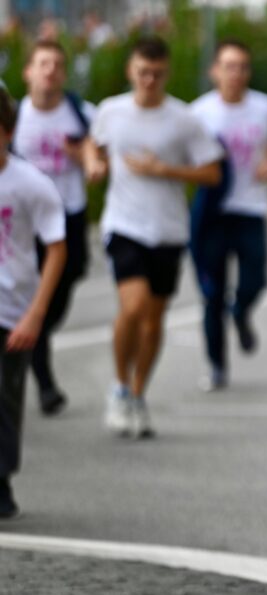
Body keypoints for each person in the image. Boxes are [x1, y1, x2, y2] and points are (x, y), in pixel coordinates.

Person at [84, 36, 223, 438]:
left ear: (167, 74)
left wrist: (165, 170)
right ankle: (118, 387)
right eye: (143, 73)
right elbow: (95, 145)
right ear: (131, 71)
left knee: (153, 319)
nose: (149, 81)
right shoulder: (111, 111)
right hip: (124, 225)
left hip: (168, 229)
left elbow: (212, 172)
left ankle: (138, 393)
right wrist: (94, 164)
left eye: (157, 74)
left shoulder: (183, 119)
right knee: (134, 306)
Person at [190, 38, 267, 390]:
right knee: (211, 293)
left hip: (251, 207)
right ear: (215, 71)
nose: (236, 74)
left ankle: (241, 312)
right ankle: (216, 366)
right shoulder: (199, 113)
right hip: (213, 213)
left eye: (243, 67)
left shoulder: (266, 107)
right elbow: (189, 162)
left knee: (255, 280)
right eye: (229, 66)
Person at [12, 40, 94, 416]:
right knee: (35, 301)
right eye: (43, 63)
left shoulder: (81, 113)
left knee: (63, 289)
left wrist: (88, 158)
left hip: (68, 216)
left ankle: (37, 329)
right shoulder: (14, 117)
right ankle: (45, 384)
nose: (51, 71)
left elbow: (100, 152)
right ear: (28, 72)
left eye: (58, 64)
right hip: (26, 224)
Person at [0, 83, 67, 518]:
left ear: (7, 132)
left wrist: (35, 314)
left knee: (3, 401)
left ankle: (1, 483)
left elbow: (57, 247)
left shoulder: (30, 184)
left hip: (11, 311)